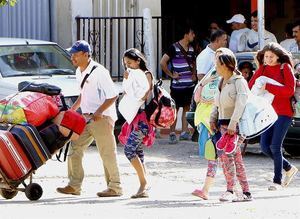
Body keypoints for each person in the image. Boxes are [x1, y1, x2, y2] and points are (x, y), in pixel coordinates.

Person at [56, 40, 123, 197]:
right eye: (71, 54)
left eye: (75, 54)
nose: (72, 57)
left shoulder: (100, 71)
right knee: (74, 149)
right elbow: (83, 94)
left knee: (107, 153)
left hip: (102, 118)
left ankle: (115, 187)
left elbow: (113, 96)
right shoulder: (79, 71)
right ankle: (74, 185)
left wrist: (99, 112)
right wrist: (72, 110)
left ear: (86, 55)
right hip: (86, 118)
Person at [248, 42, 298, 190]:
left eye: (271, 56)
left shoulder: (285, 67)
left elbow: (289, 90)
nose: (268, 59)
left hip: (283, 113)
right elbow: (251, 86)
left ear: (278, 56)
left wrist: (268, 86)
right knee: (264, 147)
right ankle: (289, 168)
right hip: (266, 113)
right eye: (266, 56)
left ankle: (277, 181)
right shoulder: (263, 68)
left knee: (275, 146)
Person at [210, 47, 253, 202]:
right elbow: (217, 103)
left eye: (218, 63)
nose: (215, 66)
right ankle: (245, 192)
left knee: (229, 158)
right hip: (223, 125)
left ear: (227, 65)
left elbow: (241, 103)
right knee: (233, 158)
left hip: (236, 127)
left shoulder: (239, 82)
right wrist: (212, 118)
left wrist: (233, 123)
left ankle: (231, 190)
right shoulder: (221, 81)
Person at [119, 48, 154, 198]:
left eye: (130, 63)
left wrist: (130, 80)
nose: (128, 66)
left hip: (142, 119)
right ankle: (144, 186)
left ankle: (143, 183)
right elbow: (127, 93)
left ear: (138, 61)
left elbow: (143, 96)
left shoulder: (145, 75)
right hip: (133, 118)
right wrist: (127, 80)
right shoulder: (132, 75)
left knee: (129, 150)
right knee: (138, 152)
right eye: (126, 63)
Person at [160, 26, 197, 144]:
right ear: (185, 34)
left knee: (186, 108)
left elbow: (194, 61)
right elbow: (163, 62)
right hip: (177, 86)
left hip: (189, 85)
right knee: (174, 109)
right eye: (192, 33)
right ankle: (172, 133)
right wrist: (171, 75)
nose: (193, 36)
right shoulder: (173, 48)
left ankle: (184, 132)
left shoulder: (192, 48)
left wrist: (194, 74)